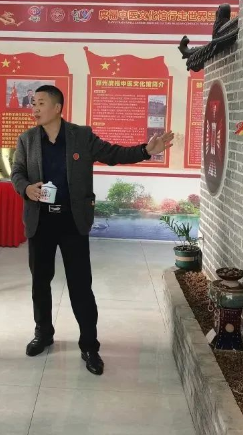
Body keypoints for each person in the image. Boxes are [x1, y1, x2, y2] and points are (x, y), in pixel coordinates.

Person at [11, 85, 174, 375]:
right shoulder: (27, 140)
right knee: (40, 282)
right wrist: (26, 189)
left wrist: (145, 151)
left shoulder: (80, 136)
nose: (34, 108)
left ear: (57, 107)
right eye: (33, 103)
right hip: (41, 221)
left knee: (80, 285)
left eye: (41, 103)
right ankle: (43, 333)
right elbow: (17, 173)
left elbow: (113, 153)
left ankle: (89, 345)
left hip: (72, 222)